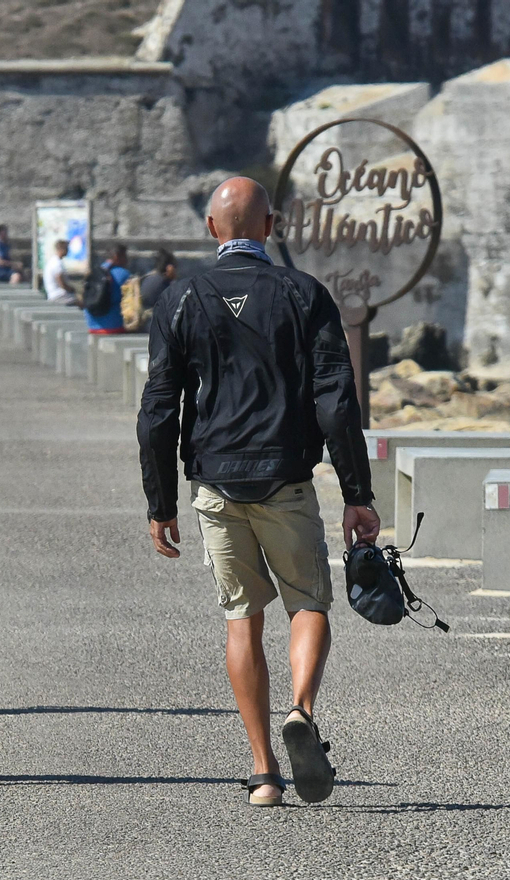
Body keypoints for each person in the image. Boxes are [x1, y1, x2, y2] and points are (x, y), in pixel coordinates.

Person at [137, 177, 378, 808]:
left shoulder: (180, 299)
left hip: (215, 483)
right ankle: (300, 710)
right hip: (286, 480)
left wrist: (160, 503)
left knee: (241, 617)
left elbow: (159, 409)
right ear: (270, 226)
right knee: (309, 604)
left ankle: (264, 772)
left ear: (211, 229)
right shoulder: (304, 293)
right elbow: (336, 400)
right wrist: (357, 493)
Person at [123, 248, 177, 333]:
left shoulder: (148, 278)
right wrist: (173, 279)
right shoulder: (163, 282)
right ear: (169, 267)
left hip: (143, 324)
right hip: (153, 327)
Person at [83, 243, 132, 334]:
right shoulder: (124, 274)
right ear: (117, 256)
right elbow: (132, 304)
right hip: (113, 327)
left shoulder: (95, 272)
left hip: (91, 326)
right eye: (125, 256)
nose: (127, 260)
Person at [42, 239, 76, 306]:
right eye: (66, 249)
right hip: (58, 295)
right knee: (80, 303)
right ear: (62, 249)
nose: (68, 251)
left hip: (54, 294)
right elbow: (60, 281)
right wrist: (70, 289)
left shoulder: (53, 261)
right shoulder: (57, 263)